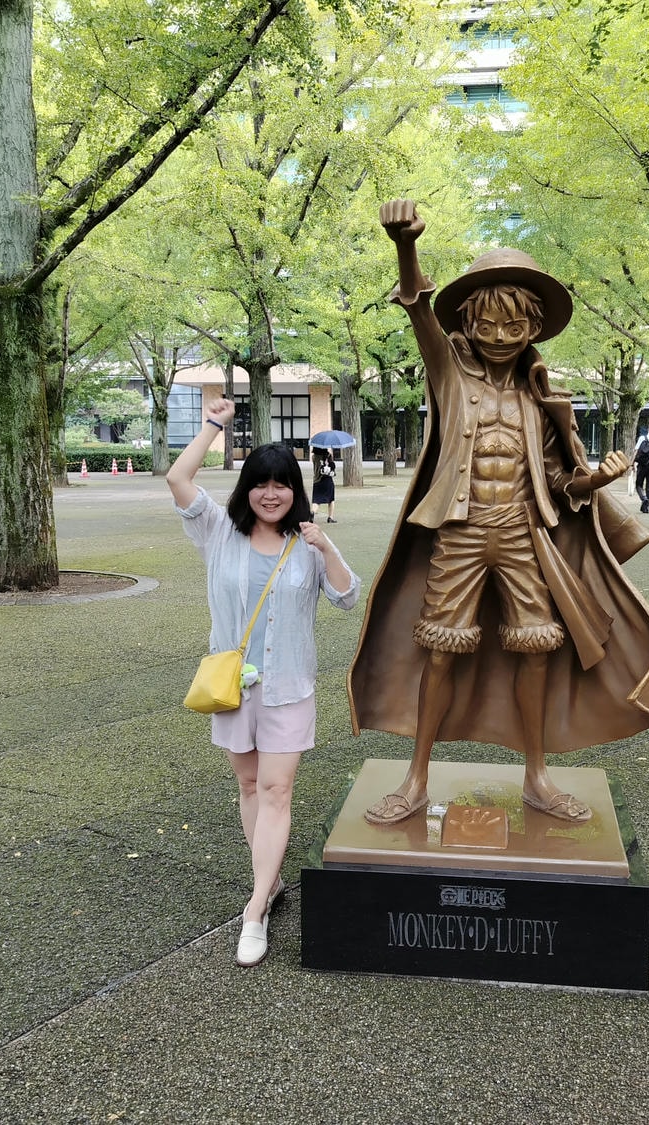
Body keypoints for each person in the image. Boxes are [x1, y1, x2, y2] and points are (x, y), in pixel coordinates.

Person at [349, 199, 649, 827]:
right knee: (440, 649)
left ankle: (538, 777)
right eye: (487, 327)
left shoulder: (541, 395)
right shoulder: (448, 371)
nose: (498, 338)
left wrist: (592, 478)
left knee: (536, 649)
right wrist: (406, 247)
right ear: (469, 322)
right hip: (460, 534)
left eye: (512, 328)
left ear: (533, 329)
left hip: (524, 534)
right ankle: (415, 778)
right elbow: (415, 306)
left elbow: (553, 476)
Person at [167, 397, 360, 967]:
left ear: (294, 490)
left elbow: (348, 598)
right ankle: (269, 881)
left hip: (288, 688)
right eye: (260, 483)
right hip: (233, 689)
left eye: (281, 484)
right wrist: (213, 426)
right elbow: (178, 477)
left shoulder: (308, 542)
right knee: (249, 788)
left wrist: (328, 549)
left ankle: (255, 910)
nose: (270, 493)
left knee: (276, 790)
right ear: (247, 488)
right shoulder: (218, 530)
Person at [312, 448, 338, 523]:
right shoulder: (328, 455)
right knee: (331, 499)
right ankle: (330, 517)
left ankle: (312, 512)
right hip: (327, 480)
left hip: (317, 480)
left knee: (316, 500)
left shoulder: (314, 457)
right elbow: (332, 466)